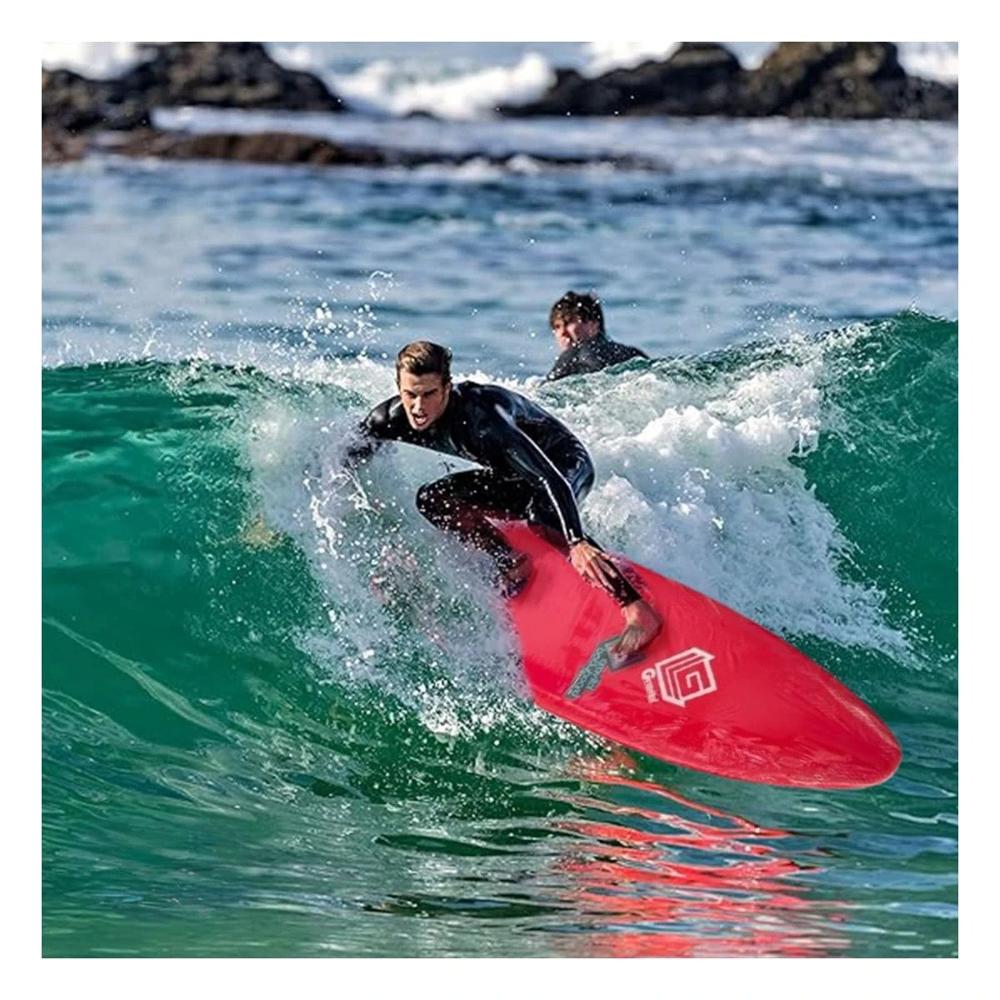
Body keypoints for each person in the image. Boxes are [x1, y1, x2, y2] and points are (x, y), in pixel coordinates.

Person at [345, 340, 662, 664]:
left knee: (544, 518)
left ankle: (637, 609)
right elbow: (350, 453)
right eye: (410, 394)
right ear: (399, 387)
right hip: (512, 475)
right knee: (432, 499)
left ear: (447, 388)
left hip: (564, 463)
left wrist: (576, 540)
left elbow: (548, 479)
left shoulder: (483, 419)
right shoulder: (389, 418)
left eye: (429, 394)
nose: (418, 406)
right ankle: (509, 560)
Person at [545, 291, 648, 382]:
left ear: (594, 323)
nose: (562, 332)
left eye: (569, 323)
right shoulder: (633, 354)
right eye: (557, 327)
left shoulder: (573, 356)